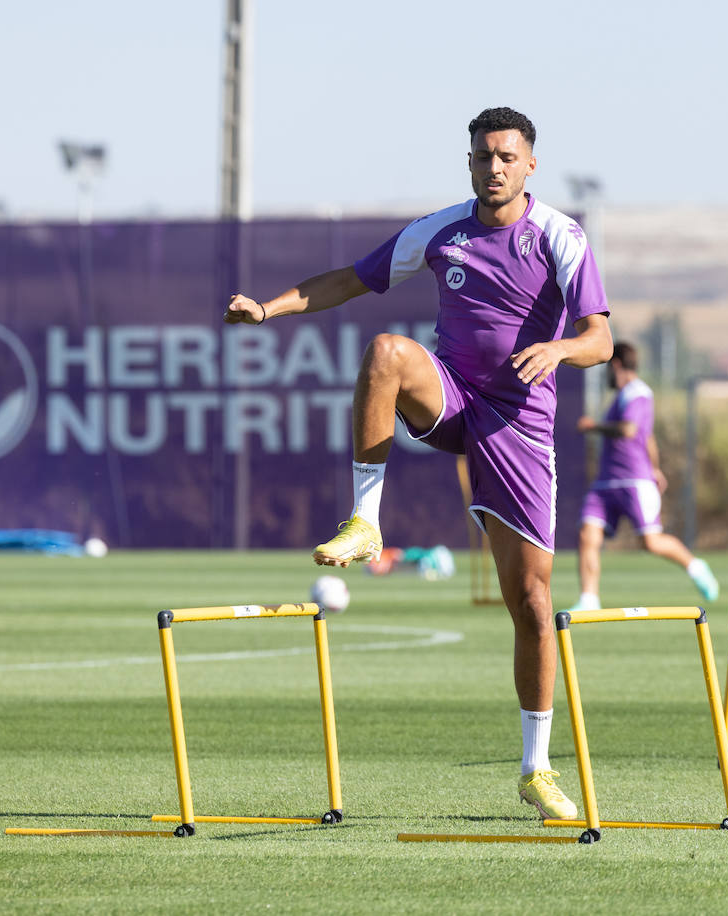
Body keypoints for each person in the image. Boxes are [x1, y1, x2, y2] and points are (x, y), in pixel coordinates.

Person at [223, 107, 612, 820]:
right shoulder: (443, 231)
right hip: (454, 400)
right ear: (468, 163)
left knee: (530, 603)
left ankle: (535, 767)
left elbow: (600, 339)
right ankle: (365, 522)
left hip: (520, 426)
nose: (492, 166)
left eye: (505, 156)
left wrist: (558, 350)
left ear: (529, 165)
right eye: (480, 156)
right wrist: (269, 310)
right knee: (385, 353)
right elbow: (349, 280)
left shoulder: (560, 235)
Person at [562, 342, 719, 612]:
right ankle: (589, 599)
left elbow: (629, 430)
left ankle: (695, 566)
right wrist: (657, 467)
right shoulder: (621, 396)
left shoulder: (638, 393)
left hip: (633, 479)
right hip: (605, 481)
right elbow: (649, 438)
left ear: (617, 365)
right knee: (588, 535)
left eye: (607, 368)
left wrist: (593, 426)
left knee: (651, 542)